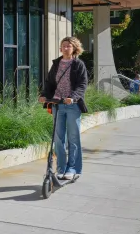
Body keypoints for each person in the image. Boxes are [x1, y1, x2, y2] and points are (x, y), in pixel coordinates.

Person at [39, 36, 88, 180]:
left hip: (72, 105)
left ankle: (73, 168)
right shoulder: (56, 64)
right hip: (57, 104)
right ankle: (61, 168)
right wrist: (44, 95)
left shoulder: (78, 64)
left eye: (68, 46)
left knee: (73, 138)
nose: (65, 48)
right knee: (58, 138)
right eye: (63, 46)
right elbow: (49, 83)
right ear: (60, 48)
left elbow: (82, 85)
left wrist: (72, 97)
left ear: (74, 48)